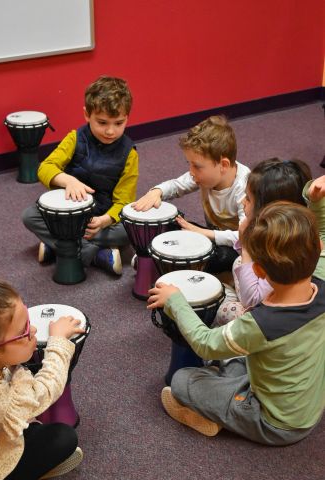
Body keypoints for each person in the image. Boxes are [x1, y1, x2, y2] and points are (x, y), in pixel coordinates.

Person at [147, 202, 325, 445]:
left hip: (274, 423)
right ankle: (223, 391)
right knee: (237, 357)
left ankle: (219, 414)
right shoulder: (321, 284)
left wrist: (176, 301)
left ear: (259, 271)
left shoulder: (261, 324)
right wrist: (317, 202)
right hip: (307, 406)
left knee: (181, 380)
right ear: (320, 247)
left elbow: (205, 343)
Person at [22, 75, 139, 276]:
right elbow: (45, 168)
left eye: (119, 123)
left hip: (99, 218)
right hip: (67, 214)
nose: (110, 131)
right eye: (102, 122)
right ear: (87, 115)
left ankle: (58, 246)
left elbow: (124, 202)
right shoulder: (75, 138)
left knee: (130, 232)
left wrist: (105, 220)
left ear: (127, 117)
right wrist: (68, 180)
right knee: (29, 216)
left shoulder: (130, 153)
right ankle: (94, 254)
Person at [0, 281, 84, 480]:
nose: (33, 329)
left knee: (30, 426)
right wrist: (58, 342)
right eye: (23, 331)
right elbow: (44, 388)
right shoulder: (2, 402)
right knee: (64, 438)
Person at [133, 115, 250, 273]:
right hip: (211, 238)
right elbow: (176, 185)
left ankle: (164, 264)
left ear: (223, 165)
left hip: (238, 250)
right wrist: (157, 191)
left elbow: (245, 238)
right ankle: (167, 262)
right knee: (173, 223)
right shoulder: (203, 176)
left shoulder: (245, 188)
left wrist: (202, 233)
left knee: (223, 257)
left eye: (197, 166)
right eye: (189, 164)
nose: (191, 172)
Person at [215, 158, 312, 324]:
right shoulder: (294, 231)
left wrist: (245, 245)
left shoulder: (280, 253)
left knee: (224, 310)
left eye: (248, 199)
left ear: (268, 209)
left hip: (276, 321)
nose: (241, 201)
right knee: (238, 263)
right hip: (273, 301)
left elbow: (252, 301)